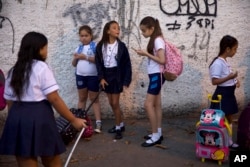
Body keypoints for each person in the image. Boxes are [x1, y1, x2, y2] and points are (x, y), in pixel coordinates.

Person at [0, 31, 87, 167]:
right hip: (40, 117)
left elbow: (10, 102)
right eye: (46, 47)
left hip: (16, 117)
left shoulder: (13, 70)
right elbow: (54, 99)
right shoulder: (42, 68)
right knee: (51, 159)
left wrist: (13, 123)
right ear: (39, 49)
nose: (47, 51)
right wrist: (73, 120)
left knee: (25, 158)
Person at [95, 20, 132, 140]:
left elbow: (127, 64)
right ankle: (121, 124)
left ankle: (117, 128)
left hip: (117, 76)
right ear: (108, 31)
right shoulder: (101, 45)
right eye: (114, 28)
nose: (118, 30)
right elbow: (98, 63)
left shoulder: (121, 46)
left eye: (118, 28)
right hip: (106, 75)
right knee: (111, 103)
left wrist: (126, 80)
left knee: (115, 103)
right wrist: (101, 78)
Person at [132, 16, 165, 147]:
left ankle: (155, 135)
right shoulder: (155, 39)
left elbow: (162, 60)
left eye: (144, 30)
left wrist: (146, 54)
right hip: (155, 75)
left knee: (148, 105)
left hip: (157, 75)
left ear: (152, 28)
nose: (142, 33)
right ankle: (158, 132)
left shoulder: (157, 41)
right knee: (156, 105)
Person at [209, 35, 239, 149]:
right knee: (223, 119)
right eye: (234, 49)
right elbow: (214, 81)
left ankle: (228, 140)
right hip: (223, 94)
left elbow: (228, 75)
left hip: (229, 93)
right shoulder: (218, 63)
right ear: (227, 49)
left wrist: (235, 80)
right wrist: (229, 77)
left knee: (229, 118)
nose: (235, 51)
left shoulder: (224, 61)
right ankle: (224, 141)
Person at [72, 25, 102, 133]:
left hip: (93, 76)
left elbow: (99, 60)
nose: (84, 38)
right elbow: (74, 64)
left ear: (90, 36)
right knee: (82, 98)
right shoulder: (78, 48)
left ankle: (98, 122)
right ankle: (80, 121)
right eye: (81, 36)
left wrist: (85, 57)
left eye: (86, 35)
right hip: (80, 76)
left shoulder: (95, 46)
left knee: (94, 99)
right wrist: (76, 58)